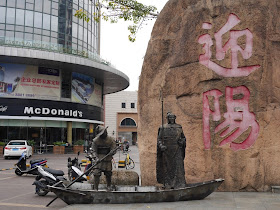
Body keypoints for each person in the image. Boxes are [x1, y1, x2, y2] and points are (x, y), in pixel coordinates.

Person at [156, 112, 187, 189]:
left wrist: (182, 142)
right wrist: (161, 146)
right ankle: (168, 184)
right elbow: (159, 139)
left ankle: (179, 184)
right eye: (170, 118)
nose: (172, 119)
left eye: (173, 118)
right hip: (167, 151)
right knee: (167, 168)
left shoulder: (179, 127)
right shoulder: (163, 127)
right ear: (167, 119)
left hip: (177, 150)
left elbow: (183, 138)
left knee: (178, 167)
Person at [90, 125, 116, 191]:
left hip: (107, 159)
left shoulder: (111, 139)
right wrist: (96, 158)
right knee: (96, 173)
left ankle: (109, 186)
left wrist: (112, 152)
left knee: (108, 173)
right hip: (99, 159)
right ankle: (96, 188)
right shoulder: (95, 141)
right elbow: (93, 150)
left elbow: (114, 148)